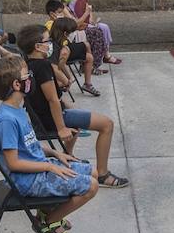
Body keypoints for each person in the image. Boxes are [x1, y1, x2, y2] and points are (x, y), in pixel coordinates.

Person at [0, 55, 98, 233]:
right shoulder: (6, 120)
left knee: (92, 172)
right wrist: (48, 165)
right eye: (26, 74)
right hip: (28, 180)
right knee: (91, 186)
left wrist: (54, 154)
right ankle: (48, 222)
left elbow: (29, 145)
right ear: (17, 85)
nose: (31, 77)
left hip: (39, 169)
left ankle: (47, 213)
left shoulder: (16, 109)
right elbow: (13, 163)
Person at [18, 24, 128, 189]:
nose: (51, 45)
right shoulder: (43, 66)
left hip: (41, 118)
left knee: (78, 124)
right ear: (38, 46)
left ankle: (68, 159)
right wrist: (61, 128)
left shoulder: (28, 66)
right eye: (47, 41)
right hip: (54, 118)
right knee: (107, 125)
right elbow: (53, 100)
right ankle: (103, 174)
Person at [48, 12, 98, 96]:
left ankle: (87, 82)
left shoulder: (56, 42)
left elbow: (60, 63)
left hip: (54, 68)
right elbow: (56, 66)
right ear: (65, 34)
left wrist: (69, 77)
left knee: (88, 54)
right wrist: (67, 80)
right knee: (86, 50)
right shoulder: (59, 49)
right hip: (50, 74)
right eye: (72, 32)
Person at [71, 0, 120, 64]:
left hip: (87, 22)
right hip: (80, 24)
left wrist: (92, 20)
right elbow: (76, 17)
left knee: (104, 27)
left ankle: (106, 54)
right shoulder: (71, 2)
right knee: (97, 30)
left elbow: (88, 11)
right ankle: (104, 57)